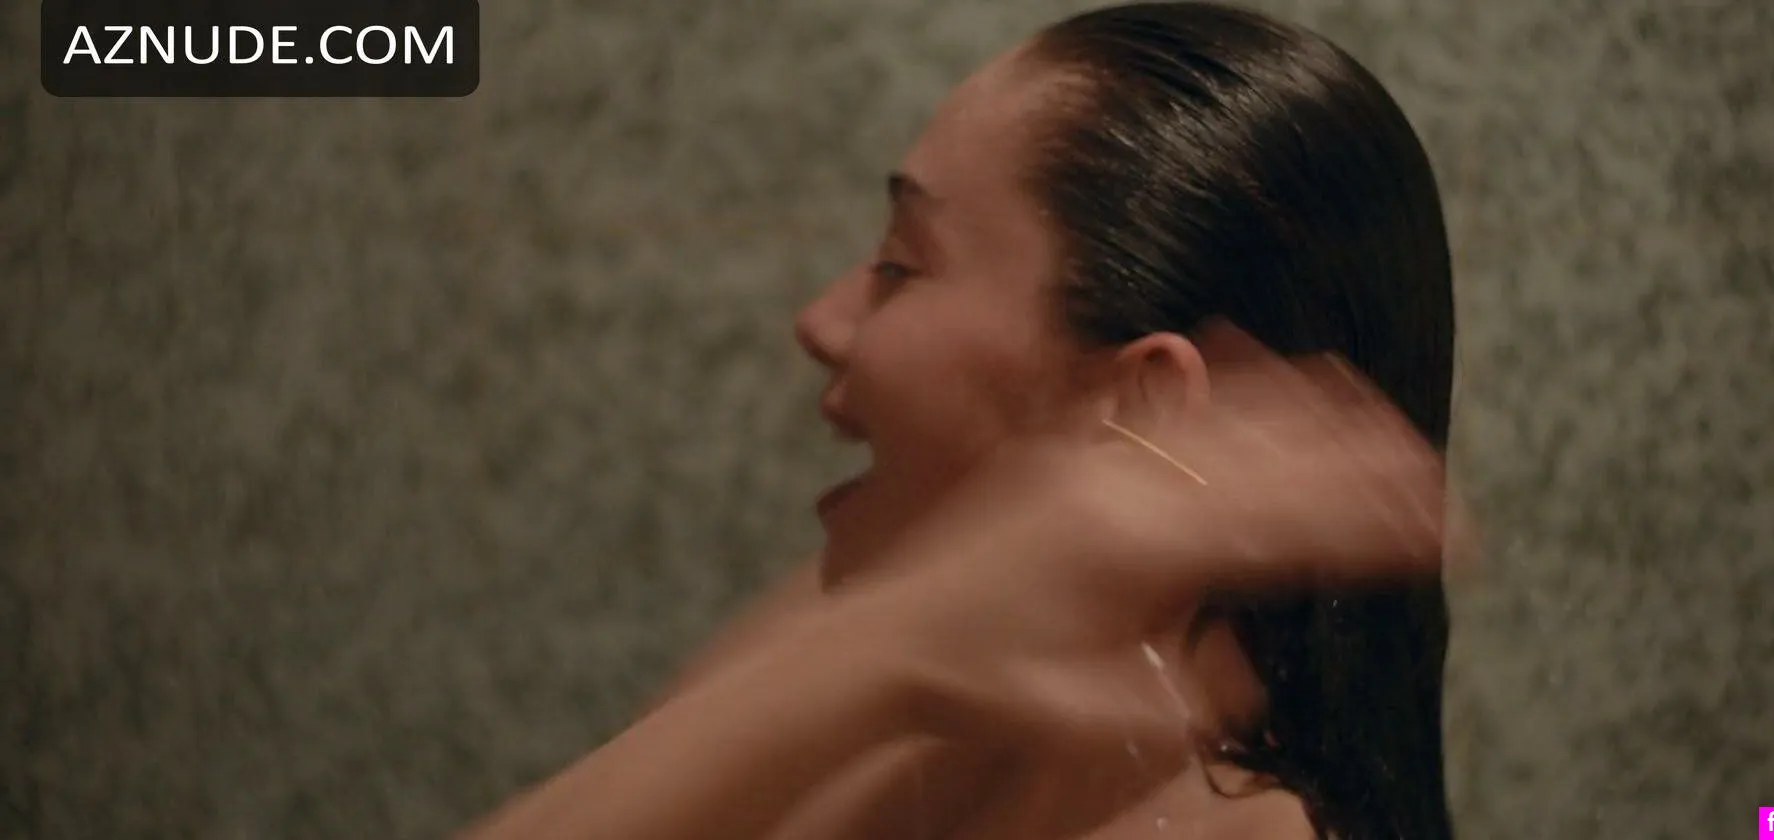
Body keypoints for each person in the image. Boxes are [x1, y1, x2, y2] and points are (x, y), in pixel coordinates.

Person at [463, 2, 1466, 838]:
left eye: (902, 264)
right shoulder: (932, 742)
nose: (822, 320)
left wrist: (883, 648)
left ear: (1147, 410)